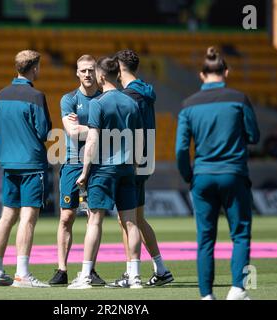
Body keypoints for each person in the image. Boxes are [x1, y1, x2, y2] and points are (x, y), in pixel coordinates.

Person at [176, 47, 260, 300]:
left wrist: (188, 176)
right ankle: (237, 288)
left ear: (202, 75)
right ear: (226, 72)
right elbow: (254, 136)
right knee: (241, 234)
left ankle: (206, 295)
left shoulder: (188, 105)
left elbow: (181, 148)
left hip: (202, 175)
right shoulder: (239, 99)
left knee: (205, 239)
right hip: (233, 174)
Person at [68, 57, 144, 289]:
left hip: (103, 169)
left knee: (95, 221)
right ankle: (135, 276)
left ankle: (85, 275)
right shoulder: (132, 103)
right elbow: (139, 137)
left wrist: (84, 171)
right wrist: (135, 164)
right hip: (127, 169)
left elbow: (92, 139)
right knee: (131, 222)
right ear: (117, 75)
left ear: (101, 76)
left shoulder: (97, 103)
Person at [106, 49, 173, 288]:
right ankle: (161, 269)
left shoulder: (129, 96)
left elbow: (130, 132)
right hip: (144, 159)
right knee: (138, 219)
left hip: (131, 161)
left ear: (120, 68)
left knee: (127, 220)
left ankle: (130, 272)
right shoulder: (144, 91)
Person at [0, 50, 52, 288]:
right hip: (31, 164)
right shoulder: (36, 96)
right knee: (27, 218)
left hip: (8, 163)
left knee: (7, 217)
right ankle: (22, 274)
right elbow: (44, 131)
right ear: (34, 68)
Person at [48, 55, 106, 286]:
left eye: (91, 70)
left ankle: (89, 270)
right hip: (72, 163)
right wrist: (96, 128)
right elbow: (72, 132)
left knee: (94, 217)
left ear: (97, 72)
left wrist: (85, 128)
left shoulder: (105, 98)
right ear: (77, 73)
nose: (87, 74)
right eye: (83, 70)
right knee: (66, 216)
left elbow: (111, 132)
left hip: (99, 164)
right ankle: (62, 270)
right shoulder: (69, 99)